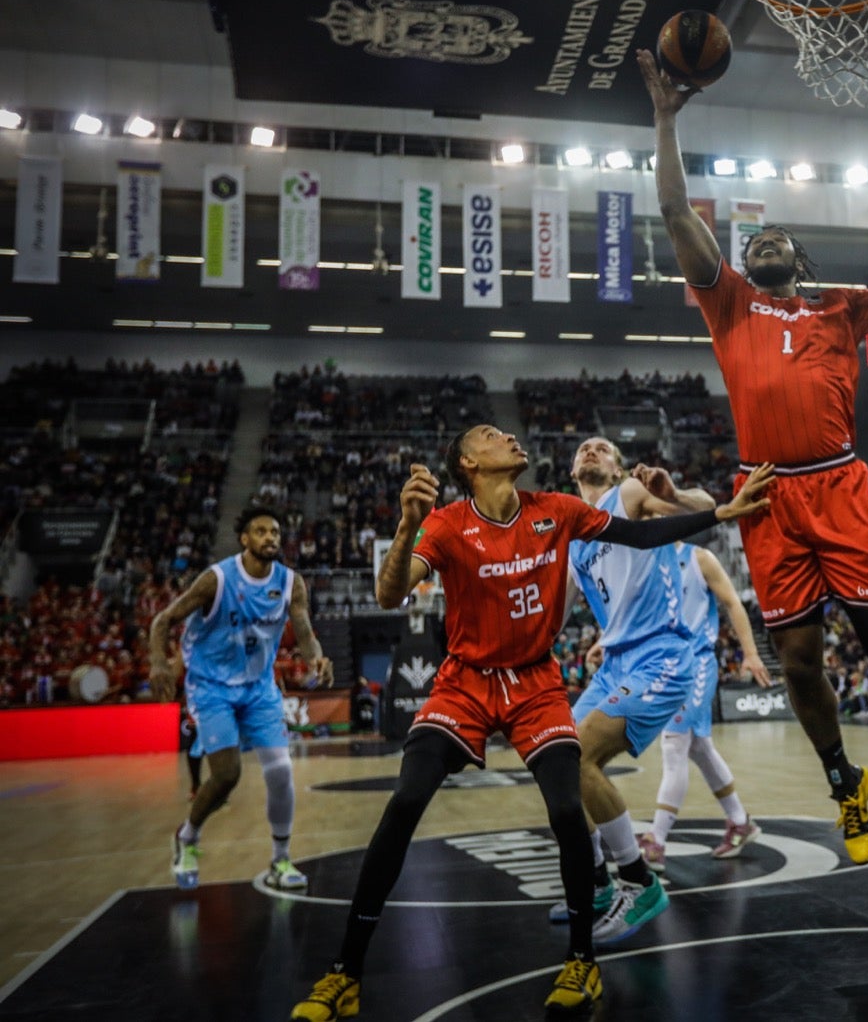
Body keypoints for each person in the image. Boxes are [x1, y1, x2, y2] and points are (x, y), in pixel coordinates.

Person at [288, 427, 774, 1021]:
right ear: (468, 462)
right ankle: (345, 972)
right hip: (465, 682)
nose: (511, 435)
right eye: (493, 435)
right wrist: (406, 521)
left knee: (568, 801)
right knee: (406, 799)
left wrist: (721, 510)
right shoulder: (444, 523)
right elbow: (391, 595)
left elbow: (645, 530)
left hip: (538, 682)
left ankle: (583, 956)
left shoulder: (561, 511)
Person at [641, 48, 868, 862]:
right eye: (754, 240)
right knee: (801, 661)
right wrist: (668, 120)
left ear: (801, 265)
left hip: (838, 485)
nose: (761, 242)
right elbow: (675, 212)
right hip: (769, 495)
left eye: (777, 237)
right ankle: (845, 782)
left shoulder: (839, 307)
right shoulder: (729, 302)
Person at [564, 437, 749, 942]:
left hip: (662, 658)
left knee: (581, 755)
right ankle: (598, 883)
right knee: (557, 759)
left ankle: (638, 880)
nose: (592, 451)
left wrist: (674, 491)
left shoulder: (627, 495)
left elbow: (711, 510)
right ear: (572, 468)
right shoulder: (574, 535)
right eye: (585, 448)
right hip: (616, 663)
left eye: (602, 448)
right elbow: (556, 616)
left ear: (620, 466)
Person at [148, 506, 331, 894]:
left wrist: (315, 655)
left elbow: (303, 631)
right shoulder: (216, 580)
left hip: (258, 687)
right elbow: (162, 620)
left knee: (280, 771)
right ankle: (188, 836)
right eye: (261, 531)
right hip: (211, 686)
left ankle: (281, 859)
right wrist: (159, 663)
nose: (270, 538)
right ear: (245, 539)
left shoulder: (290, 583)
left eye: (275, 532)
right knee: (227, 775)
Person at [641, 541, 775, 866]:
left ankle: (655, 841)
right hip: (665, 666)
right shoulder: (645, 558)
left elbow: (732, 602)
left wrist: (752, 653)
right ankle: (741, 821)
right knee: (699, 747)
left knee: (674, 746)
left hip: (696, 663)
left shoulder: (700, 558)